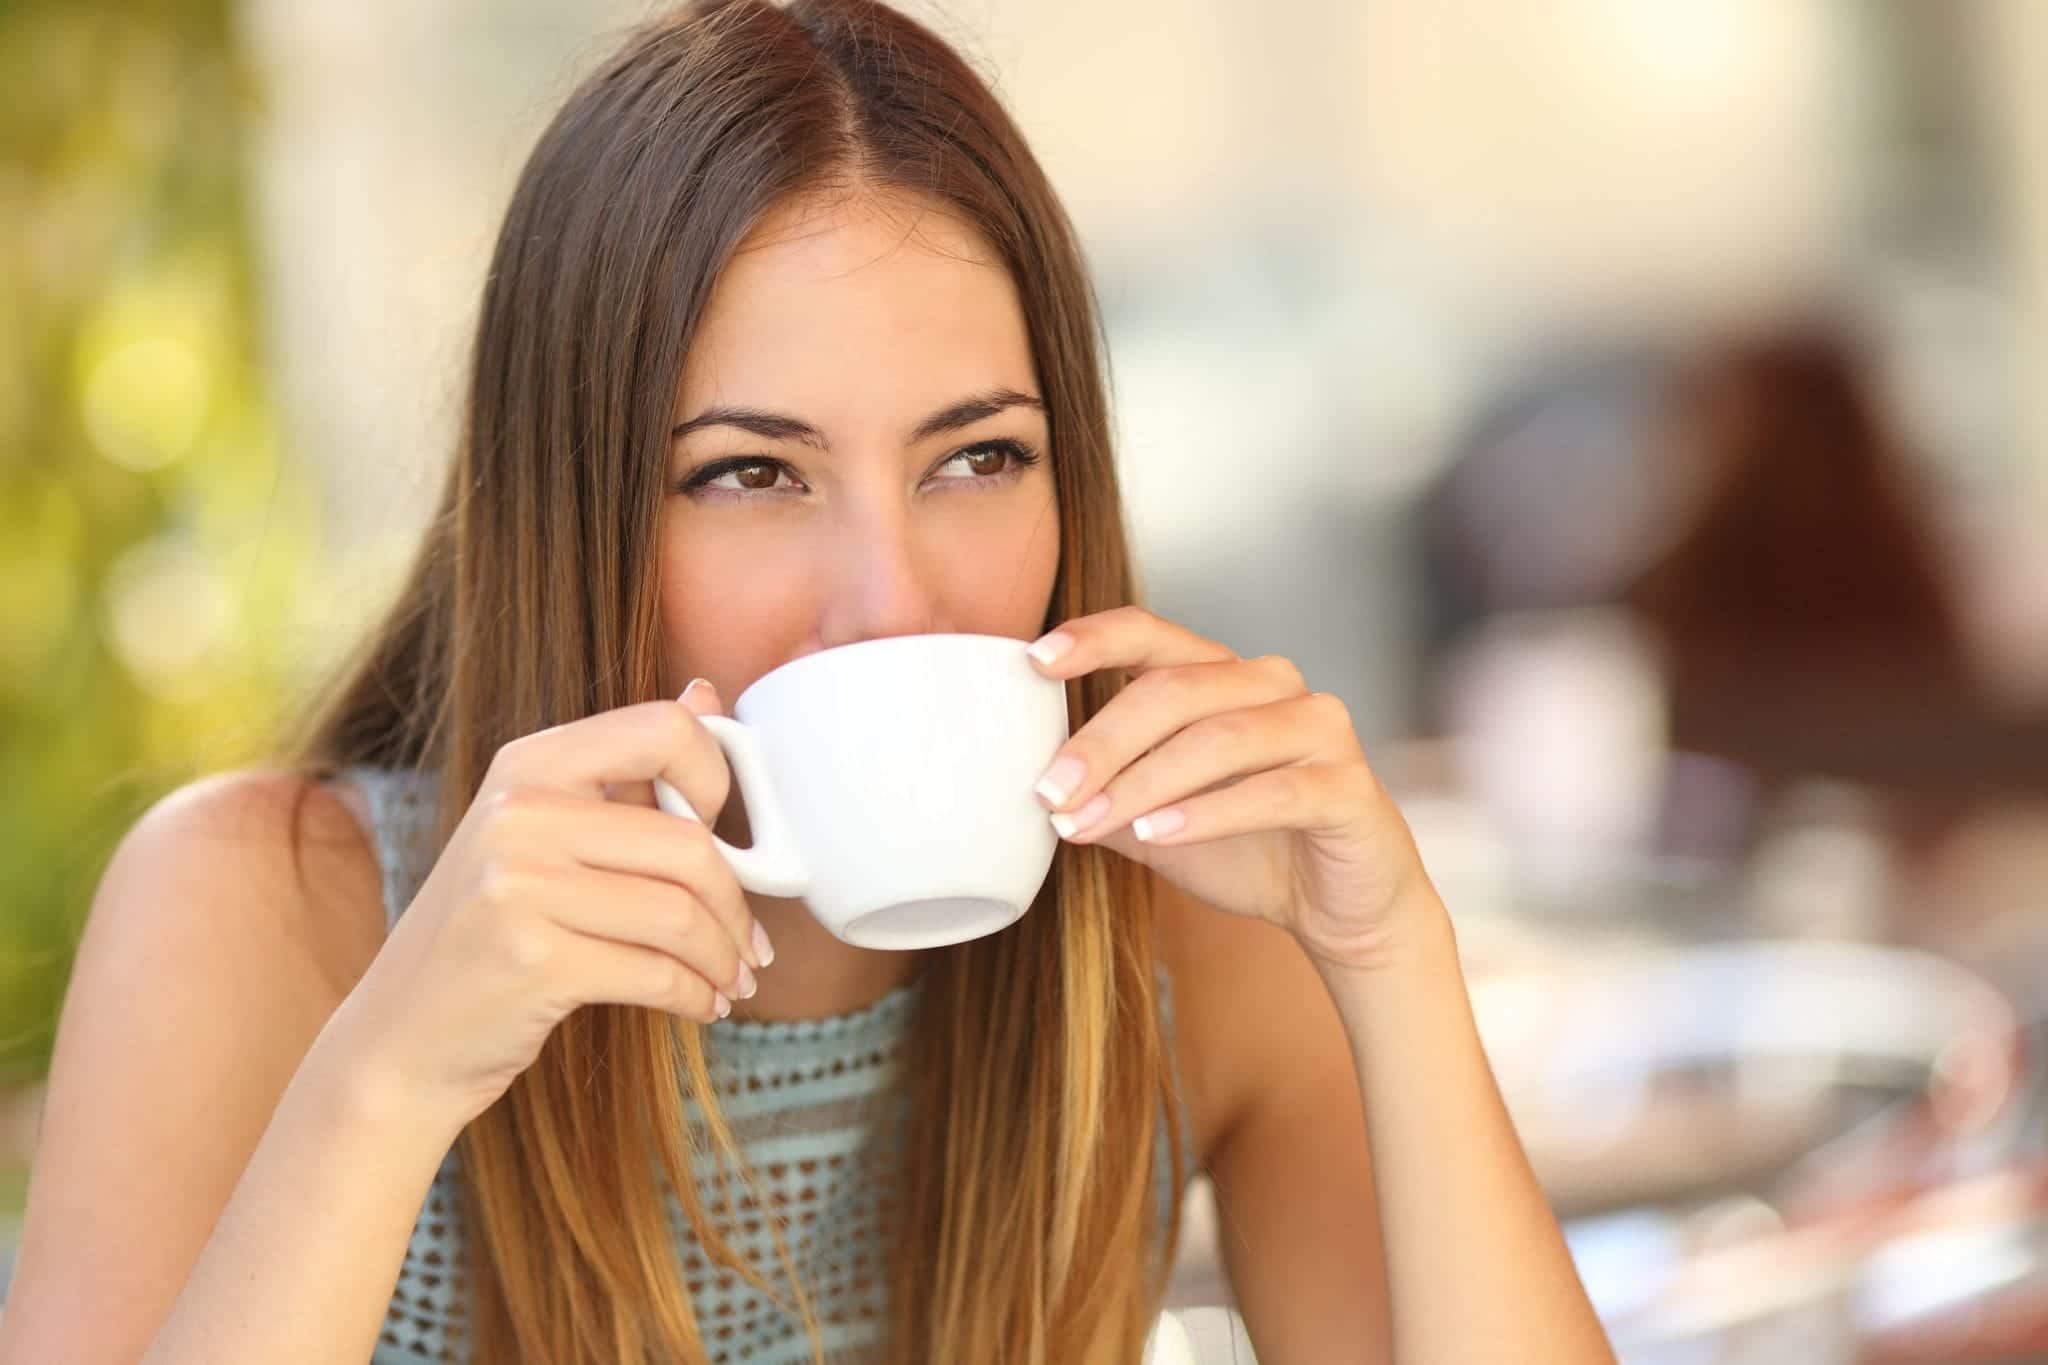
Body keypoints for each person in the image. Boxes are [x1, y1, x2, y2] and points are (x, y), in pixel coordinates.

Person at [0, 3, 1615, 1363]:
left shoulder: (1186, 929)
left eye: (979, 455)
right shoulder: (267, 914)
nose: (893, 598)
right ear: (581, 513)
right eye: (754, 475)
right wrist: (391, 1076)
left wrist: (1392, 957)